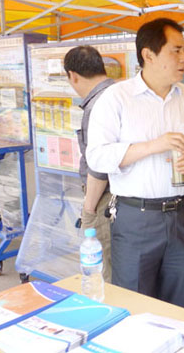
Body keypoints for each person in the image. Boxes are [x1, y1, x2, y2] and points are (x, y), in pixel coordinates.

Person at [86, 17, 184, 309]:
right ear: (148, 55)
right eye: (176, 50)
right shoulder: (116, 99)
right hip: (136, 218)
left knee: (177, 302)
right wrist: (151, 147)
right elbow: (97, 156)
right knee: (133, 302)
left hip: (183, 214)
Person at [64, 45, 114, 283]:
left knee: (105, 269)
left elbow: (99, 167)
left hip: (106, 200)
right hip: (126, 200)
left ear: (73, 75)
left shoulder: (96, 106)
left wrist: (89, 208)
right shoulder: (119, 94)